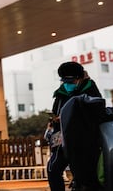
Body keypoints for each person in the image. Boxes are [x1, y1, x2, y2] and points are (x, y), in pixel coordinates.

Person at [46, 61, 101, 191]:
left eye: (70, 81)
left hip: (82, 141)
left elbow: (96, 112)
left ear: (80, 78)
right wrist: (55, 120)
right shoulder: (60, 93)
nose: (67, 84)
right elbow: (56, 111)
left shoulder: (90, 89)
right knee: (53, 169)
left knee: (83, 175)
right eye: (64, 81)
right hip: (62, 139)